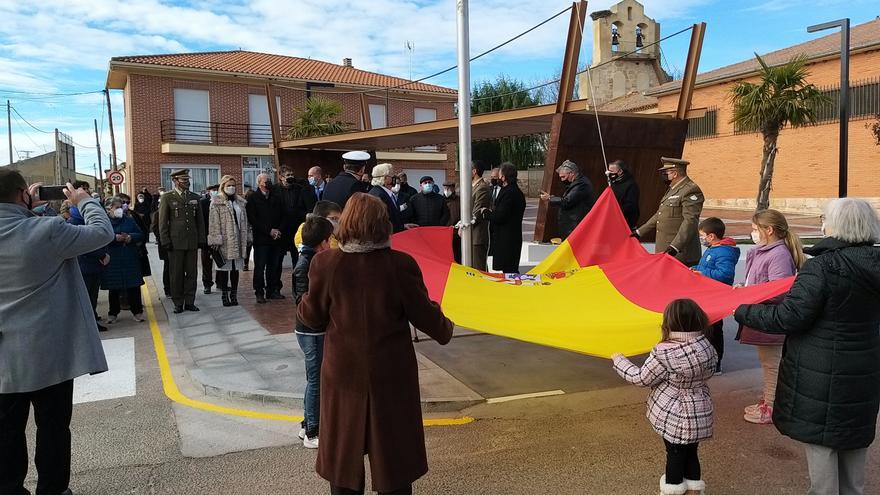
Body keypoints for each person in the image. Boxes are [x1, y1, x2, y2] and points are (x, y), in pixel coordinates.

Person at [297, 193, 453, 494]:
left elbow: (311, 318)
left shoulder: (325, 264)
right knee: (393, 463)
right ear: (384, 224)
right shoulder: (400, 264)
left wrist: (305, 295)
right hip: (391, 374)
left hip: (343, 373)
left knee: (343, 460)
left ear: (346, 222)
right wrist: (445, 327)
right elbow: (425, 316)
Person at [734, 198, 880, 495]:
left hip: (822, 372)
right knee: (853, 443)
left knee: (823, 447)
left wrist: (742, 307)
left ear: (837, 225)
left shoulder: (823, 267)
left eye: (825, 219)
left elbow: (788, 317)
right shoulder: (873, 265)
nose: (822, 224)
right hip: (864, 371)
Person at [0, 172, 114, 495]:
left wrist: (29, 210)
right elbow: (101, 232)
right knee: (52, 429)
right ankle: (53, 489)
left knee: (6, 432)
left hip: (4, 361)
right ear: (24, 194)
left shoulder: (37, 225)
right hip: (49, 356)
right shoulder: (47, 231)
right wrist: (84, 201)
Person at [612, 298, 716, 495]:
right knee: (692, 453)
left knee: (674, 454)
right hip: (700, 412)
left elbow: (641, 378)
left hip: (674, 416)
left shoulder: (664, 354)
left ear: (668, 323)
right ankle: (694, 491)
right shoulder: (707, 347)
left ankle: (673, 490)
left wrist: (619, 361)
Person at [735, 209, 805, 425]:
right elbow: (759, 282)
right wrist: (745, 289)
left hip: (770, 320)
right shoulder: (765, 251)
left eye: (755, 229)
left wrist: (750, 294)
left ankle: (772, 407)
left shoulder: (778, 255)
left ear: (769, 230)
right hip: (762, 318)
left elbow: (779, 291)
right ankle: (769, 400)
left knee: (772, 365)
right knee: (769, 364)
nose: (752, 233)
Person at [293, 215, 335, 449]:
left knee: (316, 379)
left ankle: (305, 422)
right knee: (316, 381)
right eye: (329, 240)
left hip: (316, 330)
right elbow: (303, 302)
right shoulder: (306, 265)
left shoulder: (312, 260)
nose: (330, 245)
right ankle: (312, 431)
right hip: (311, 332)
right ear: (321, 242)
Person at [633, 157, 704, 266]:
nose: (664, 175)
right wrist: (639, 232)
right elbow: (660, 214)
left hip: (680, 253)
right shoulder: (673, 188)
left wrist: (675, 246)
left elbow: (690, 221)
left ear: (675, 174)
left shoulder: (690, 190)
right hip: (665, 249)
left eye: (666, 172)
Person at [692, 217, 739, 374]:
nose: (702, 239)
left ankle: (716, 362)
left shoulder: (724, 252)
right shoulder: (713, 249)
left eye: (702, 235)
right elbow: (705, 266)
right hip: (707, 295)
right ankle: (706, 361)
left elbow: (725, 274)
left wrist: (702, 273)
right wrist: (694, 268)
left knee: (714, 330)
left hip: (716, 296)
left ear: (711, 236)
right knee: (705, 328)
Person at [158, 168, 206, 314]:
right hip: (175, 242)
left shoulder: (194, 197)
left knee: (192, 273)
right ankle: (178, 302)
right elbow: (162, 221)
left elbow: (200, 221)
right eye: (183, 180)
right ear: (175, 181)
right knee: (176, 274)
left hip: (191, 241)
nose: (187, 182)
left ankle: (190, 301)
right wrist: (165, 240)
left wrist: (201, 239)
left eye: (187, 179)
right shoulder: (168, 197)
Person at [67, 199, 110, 332]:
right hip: (84, 266)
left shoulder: (83, 220)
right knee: (86, 299)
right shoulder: (74, 222)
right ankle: (88, 326)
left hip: (93, 266)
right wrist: (102, 255)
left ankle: (92, 322)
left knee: (93, 296)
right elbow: (86, 243)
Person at [101, 197, 146, 324]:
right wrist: (115, 238)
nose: (120, 209)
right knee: (114, 288)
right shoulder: (104, 222)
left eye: (121, 206)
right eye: (117, 207)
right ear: (109, 208)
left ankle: (137, 312)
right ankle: (113, 313)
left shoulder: (129, 220)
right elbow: (100, 236)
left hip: (129, 258)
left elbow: (141, 234)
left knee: (134, 287)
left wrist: (130, 237)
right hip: (113, 259)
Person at [208, 175, 249, 307]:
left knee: (235, 269)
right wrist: (215, 240)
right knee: (224, 269)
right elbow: (214, 223)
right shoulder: (216, 202)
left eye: (233, 185)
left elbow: (245, 221)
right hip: (225, 239)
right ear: (223, 187)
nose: (231, 188)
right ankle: (225, 295)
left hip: (238, 238)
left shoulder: (240, 202)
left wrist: (248, 236)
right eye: (228, 186)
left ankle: (234, 295)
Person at [246, 173, 283, 304]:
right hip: (262, 239)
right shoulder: (253, 198)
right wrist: (269, 231)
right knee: (260, 267)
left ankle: (271, 290)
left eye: (269, 180)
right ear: (259, 183)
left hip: (276, 238)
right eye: (266, 181)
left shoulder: (276, 197)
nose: (269, 183)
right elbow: (253, 219)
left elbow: (283, 215)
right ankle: (259, 292)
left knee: (274, 266)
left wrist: (278, 230)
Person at [485, 162, 526, 273]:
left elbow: (501, 215)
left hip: (507, 239)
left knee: (509, 271)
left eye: (499, 175)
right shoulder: (513, 191)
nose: (498, 178)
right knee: (508, 269)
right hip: (508, 237)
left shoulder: (510, 193)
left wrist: (487, 214)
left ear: (504, 177)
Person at [539, 159, 594, 239]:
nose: (562, 180)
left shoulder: (581, 185)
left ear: (572, 173)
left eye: (563, 177)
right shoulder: (578, 183)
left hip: (575, 226)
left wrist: (550, 198)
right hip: (572, 225)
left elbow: (567, 201)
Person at [276, 167, 307, 296]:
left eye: (292, 174)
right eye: (288, 174)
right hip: (282, 230)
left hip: (296, 229)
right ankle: (275, 288)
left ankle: (297, 289)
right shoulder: (276, 190)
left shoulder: (298, 189)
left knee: (297, 261)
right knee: (277, 261)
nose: (291, 176)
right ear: (281, 177)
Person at [368, 163, 405, 233]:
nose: (395, 177)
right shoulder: (379, 196)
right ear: (385, 178)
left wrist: (403, 226)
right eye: (392, 175)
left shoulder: (384, 193)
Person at [470, 161, 492, 271]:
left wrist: (463, 226)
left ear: (474, 171)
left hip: (477, 236)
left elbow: (477, 212)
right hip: (471, 236)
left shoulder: (482, 188)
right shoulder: (472, 187)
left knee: (479, 269)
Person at [607, 159, 641, 228]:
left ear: (620, 171)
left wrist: (614, 212)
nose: (608, 173)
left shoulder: (631, 185)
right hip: (614, 220)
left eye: (611, 171)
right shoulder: (614, 182)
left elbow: (630, 205)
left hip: (625, 221)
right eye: (608, 171)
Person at [199, 184, 219, 294]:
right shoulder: (203, 203)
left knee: (220, 261)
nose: (215, 192)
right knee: (206, 263)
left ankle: (220, 283)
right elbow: (200, 222)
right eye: (213, 190)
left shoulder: (222, 202)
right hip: (206, 237)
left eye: (217, 190)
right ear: (209, 191)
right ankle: (207, 284)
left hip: (219, 237)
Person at [151, 194, 171, 296]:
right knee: (168, 266)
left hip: (175, 244)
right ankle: (167, 289)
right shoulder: (158, 214)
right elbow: (155, 228)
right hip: (165, 244)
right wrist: (163, 239)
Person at [443, 182, 462, 263]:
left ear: (453, 188)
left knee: (457, 257)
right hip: (445, 233)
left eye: (449, 188)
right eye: (445, 188)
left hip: (456, 233)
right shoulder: (441, 200)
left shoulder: (459, 200)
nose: (446, 190)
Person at [243, 185, 254, 271]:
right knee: (248, 247)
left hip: (248, 228)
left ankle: (245, 263)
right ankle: (245, 264)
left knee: (248, 247)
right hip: (249, 227)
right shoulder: (245, 206)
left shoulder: (244, 205)